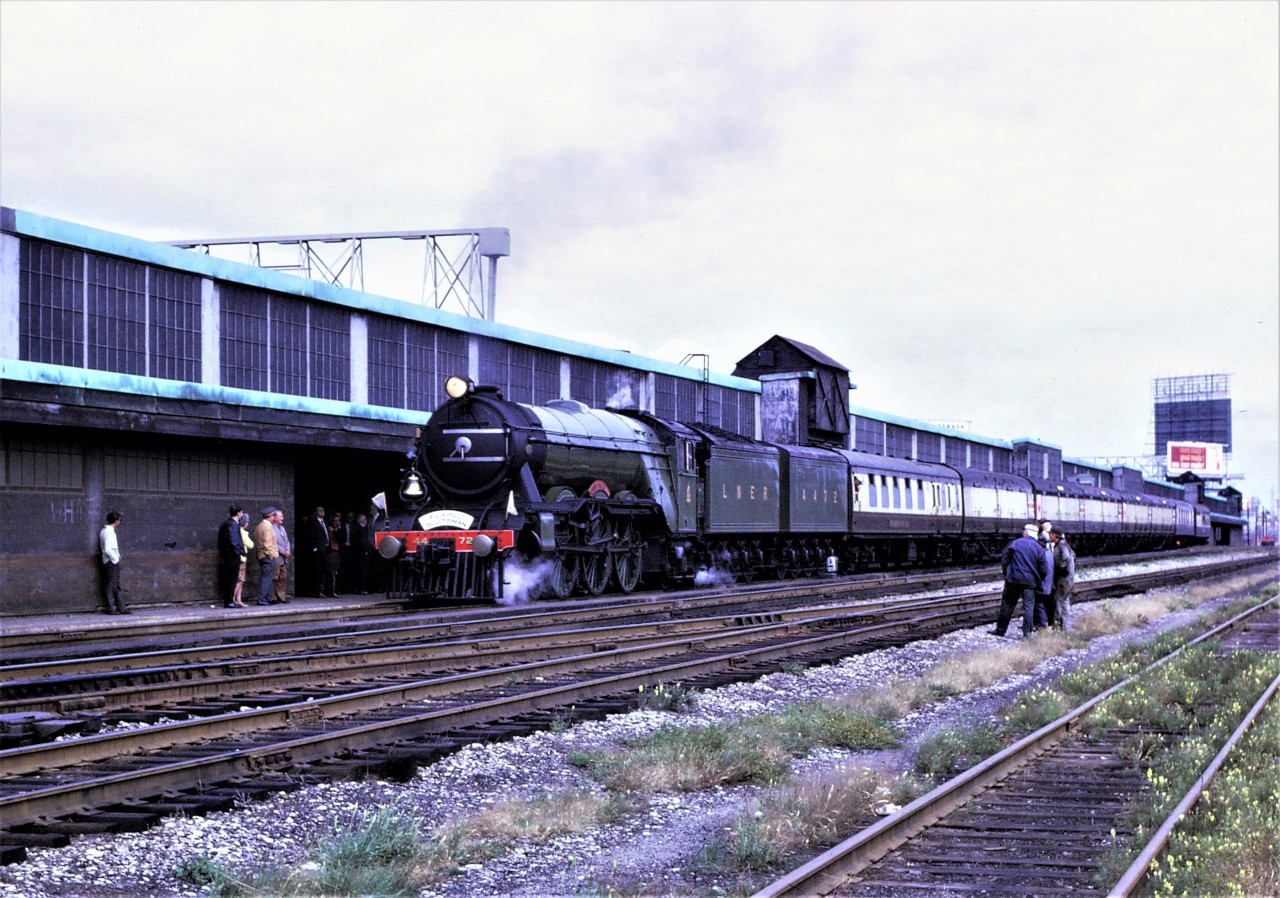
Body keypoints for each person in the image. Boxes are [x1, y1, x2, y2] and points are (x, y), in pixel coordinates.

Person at [992, 522, 1050, 638]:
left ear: (1026, 533)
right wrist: (1038, 579)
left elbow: (1005, 560)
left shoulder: (1015, 543)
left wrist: (1007, 574)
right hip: (1030, 582)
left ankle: (1000, 630)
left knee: (1007, 605)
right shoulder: (1039, 548)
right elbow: (1044, 569)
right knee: (1029, 607)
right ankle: (1027, 634)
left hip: (1013, 580)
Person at [98, 511, 128, 614]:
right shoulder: (108, 532)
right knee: (111, 586)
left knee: (115, 585)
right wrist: (115, 559)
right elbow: (107, 549)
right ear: (116, 521)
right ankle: (111, 608)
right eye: (119, 520)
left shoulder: (106, 531)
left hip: (111, 561)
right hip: (111, 562)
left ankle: (120, 608)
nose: (119, 522)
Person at [217, 504, 246, 608]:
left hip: (226, 556)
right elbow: (234, 541)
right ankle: (229, 601)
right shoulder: (233, 525)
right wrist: (239, 552)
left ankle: (228, 600)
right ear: (238, 513)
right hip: (232, 557)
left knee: (228, 578)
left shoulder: (225, 524)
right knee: (232, 579)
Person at [1049, 527, 1076, 631]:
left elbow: (1066, 559)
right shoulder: (1064, 545)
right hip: (1068, 578)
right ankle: (1066, 628)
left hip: (1063, 579)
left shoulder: (1061, 546)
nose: (1049, 536)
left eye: (1050, 534)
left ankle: (1057, 628)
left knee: (1059, 603)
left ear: (1054, 535)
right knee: (1064, 602)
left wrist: (1060, 570)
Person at [252, 507, 280, 606]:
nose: (274, 517)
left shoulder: (259, 526)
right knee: (267, 578)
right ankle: (262, 599)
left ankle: (267, 598)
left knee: (267, 577)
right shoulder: (267, 527)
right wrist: (271, 555)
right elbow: (267, 544)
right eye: (273, 516)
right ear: (270, 516)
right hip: (267, 556)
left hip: (261, 555)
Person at [271, 508, 293, 604]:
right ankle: (273, 597)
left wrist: (288, 550)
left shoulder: (282, 528)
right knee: (275, 577)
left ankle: (281, 596)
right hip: (277, 557)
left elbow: (287, 541)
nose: (282, 518)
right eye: (281, 516)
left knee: (282, 577)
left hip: (284, 558)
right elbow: (275, 543)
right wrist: (284, 552)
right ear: (275, 518)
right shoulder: (271, 529)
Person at [306, 506, 329, 597]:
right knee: (318, 570)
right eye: (319, 510)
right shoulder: (313, 523)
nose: (322, 511)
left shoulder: (325, 522)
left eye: (323, 510)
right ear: (315, 513)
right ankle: (318, 591)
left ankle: (326, 590)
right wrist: (315, 549)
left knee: (325, 570)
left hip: (326, 550)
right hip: (318, 550)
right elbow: (311, 537)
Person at [231, 511, 252, 607]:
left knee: (241, 580)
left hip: (239, 558)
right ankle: (232, 598)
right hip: (241, 559)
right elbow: (250, 545)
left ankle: (238, 599)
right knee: (240, 580)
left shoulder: (237, 531)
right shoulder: (242, 533)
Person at [322, 510, 345, 597]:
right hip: (330, 552)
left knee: (336, 572)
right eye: (334, 521)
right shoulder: (328, 529)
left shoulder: (341, 530)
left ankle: (335, 589)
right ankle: (329, 590)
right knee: (329, 572)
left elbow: (342, 539)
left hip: (338, 553)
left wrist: (335, 531)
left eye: (337, 521)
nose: (335, 523)